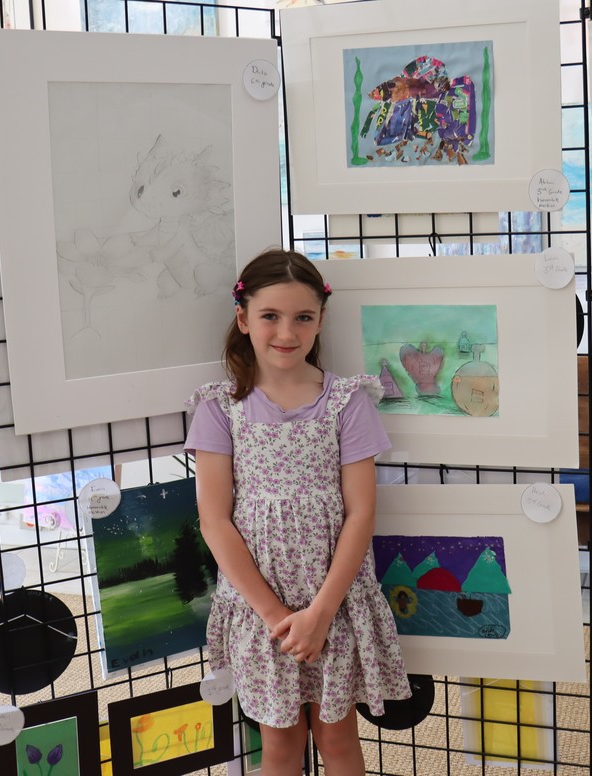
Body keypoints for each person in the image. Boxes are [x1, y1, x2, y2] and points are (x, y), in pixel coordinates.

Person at [184, 249, 411, 775]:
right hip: (263, 609)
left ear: (319, 322)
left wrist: (322, 613)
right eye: (270, 316)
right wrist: (274, 617)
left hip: (335, 601)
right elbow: (215, 521)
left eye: (302, 317)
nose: (287, 331)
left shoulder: (347, 401)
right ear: (243, 319)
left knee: (337, 741)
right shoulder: (220, 408)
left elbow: (361, 515)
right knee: (280, 746)